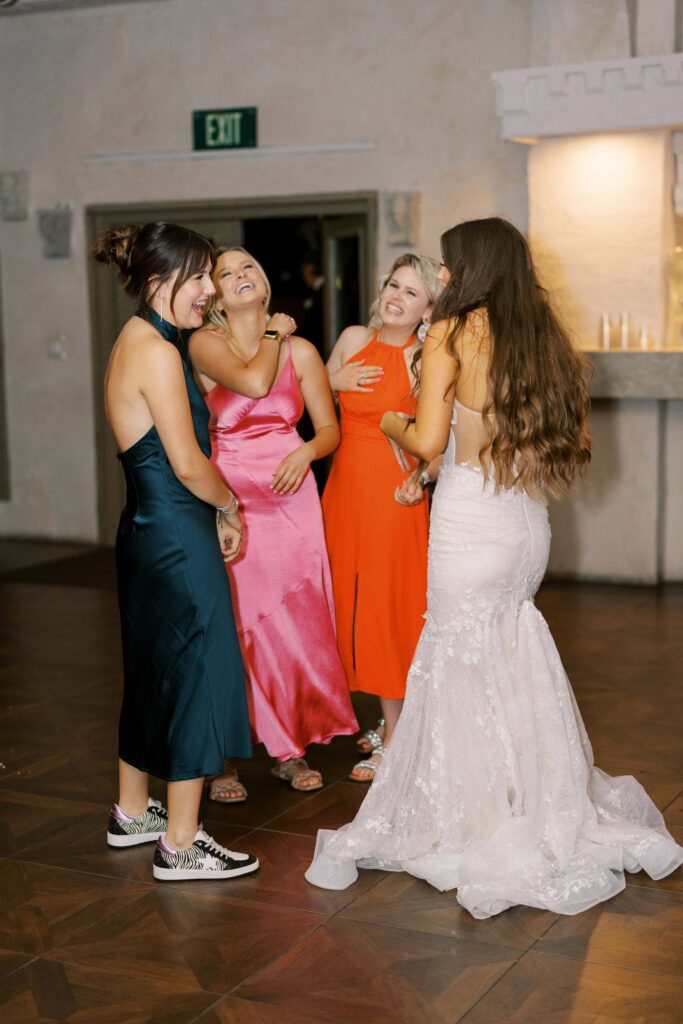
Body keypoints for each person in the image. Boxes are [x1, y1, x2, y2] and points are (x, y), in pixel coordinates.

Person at [306, 217, 683, 916]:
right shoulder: (541, 339)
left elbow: (425, 435)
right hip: (524, 525)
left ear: (472, 268)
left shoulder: (451, 333)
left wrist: (390, 424)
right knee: (510, 651)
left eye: (448, 267)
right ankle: (525, 796)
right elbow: (571, 441)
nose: (442, 278)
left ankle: (473, 811)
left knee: (456, 658)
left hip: (470, 523)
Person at [94, 222, 258, 882]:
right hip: (176, 533)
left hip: (145, 529)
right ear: (159, 280)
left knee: (152, 670)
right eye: (197, 278)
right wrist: (229, 505)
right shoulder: (159, 353)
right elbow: (188, 464)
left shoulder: (139, 338)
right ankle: (182, 842)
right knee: (198, 674)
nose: (207, 290)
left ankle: (135, 811)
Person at [189, 247, 358, 802]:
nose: (240, 277)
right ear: (213, 291)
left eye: (247, 269)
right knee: (234, 628)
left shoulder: (303, 351)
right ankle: (221, 760)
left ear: (262, 280)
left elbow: (330, 429)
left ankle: (290, 750)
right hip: (230, 501)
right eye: (226, 273)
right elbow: (254, 385)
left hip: (291, 501)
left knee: (297, 625)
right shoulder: (205, 344)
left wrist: (306, 452)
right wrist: (271, 336)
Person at [324, 254, 443, 781]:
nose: (396, 296)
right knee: (347, 603)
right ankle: (384, 716)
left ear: (428, 309)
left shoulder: (428, 358)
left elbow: (445, 437)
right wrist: (334, 377)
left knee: (389, 607)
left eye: (412, 292)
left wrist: (420, 477)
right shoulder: (352, 339)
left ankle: (396, 734)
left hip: (395, 498)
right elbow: (310, 395)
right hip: (345, 489)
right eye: (394, 284)